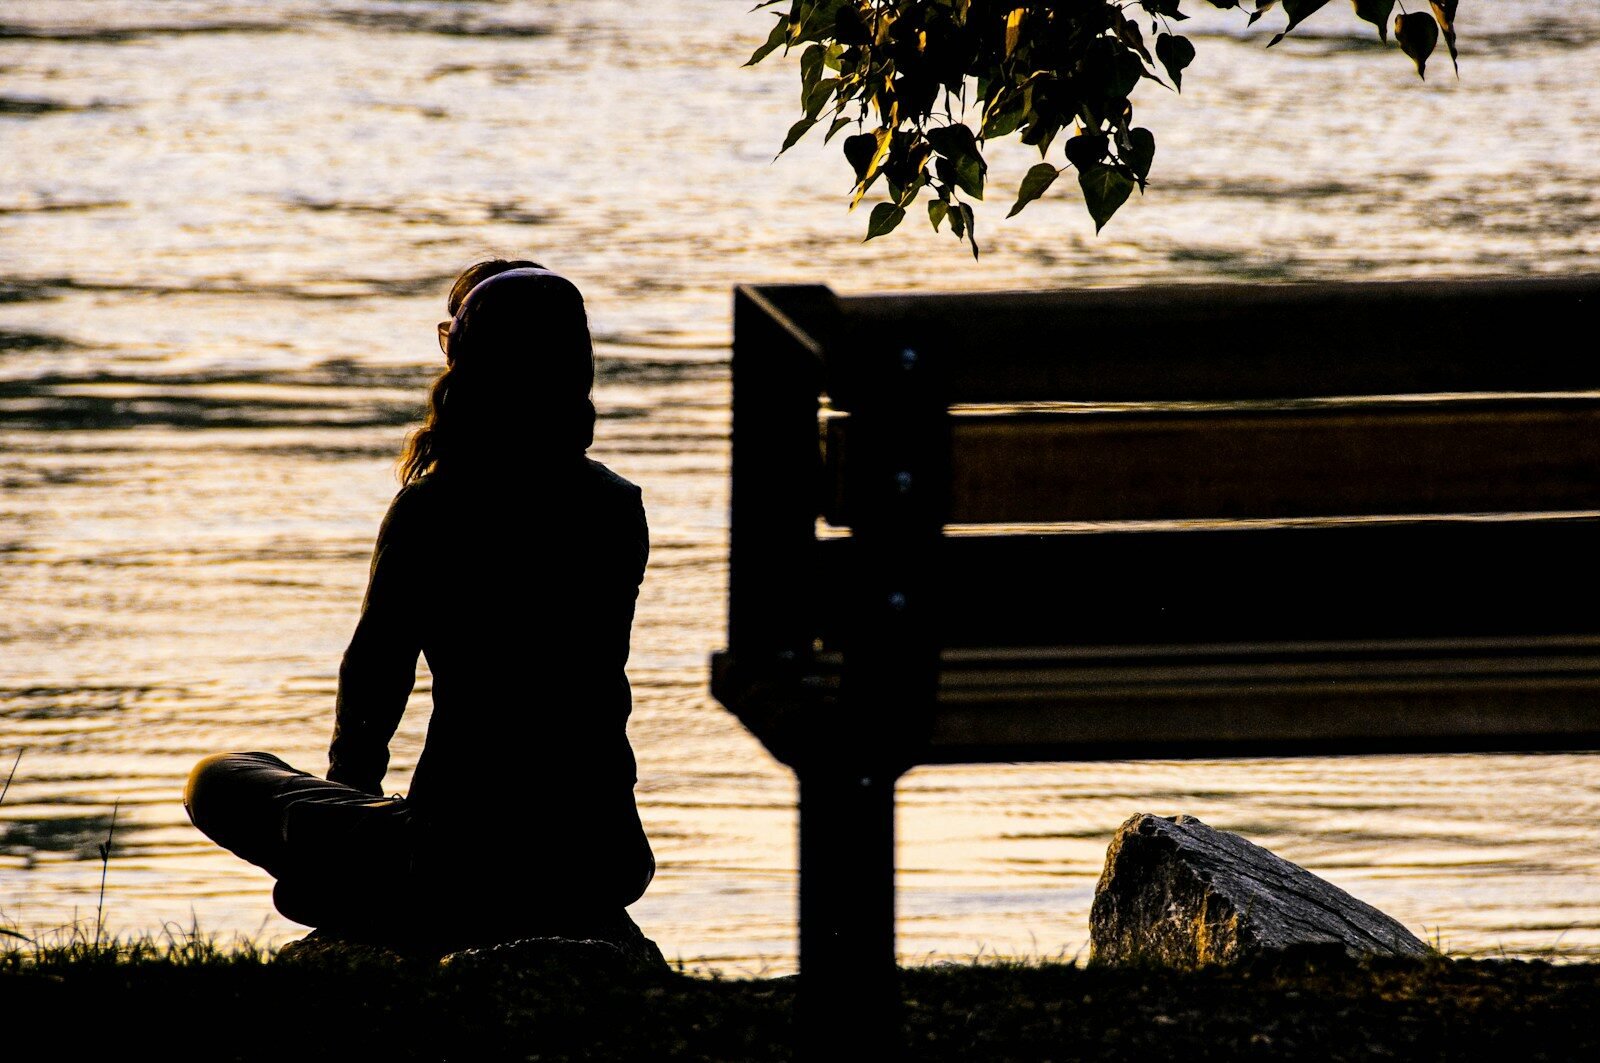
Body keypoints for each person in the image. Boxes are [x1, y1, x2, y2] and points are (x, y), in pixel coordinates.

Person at [184, 260, 654, 951]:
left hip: (456, 854)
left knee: (220, 777)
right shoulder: (618, 507)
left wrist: (350, 803)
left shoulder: (432, 507)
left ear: (470, 366)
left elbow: (376, 670)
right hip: (600, 854)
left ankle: (362, 887)